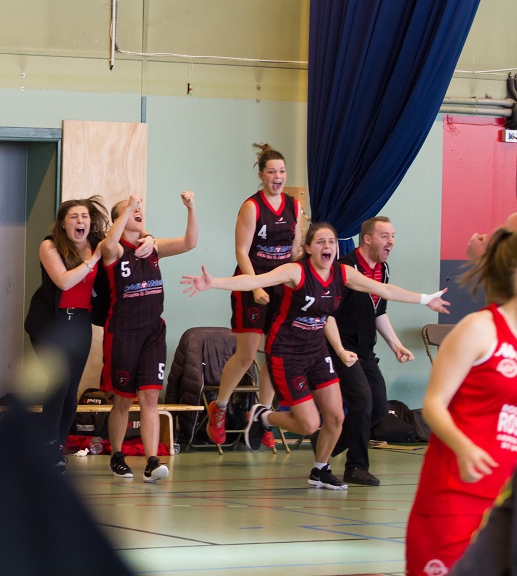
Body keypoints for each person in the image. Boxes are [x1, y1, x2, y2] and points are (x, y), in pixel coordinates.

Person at [182, 223, 448, 490]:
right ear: (308, 248)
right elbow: (254, 280)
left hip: (317, 352)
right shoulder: (295, 272)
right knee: (310, 424)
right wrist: (212, 283)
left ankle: (320, 470)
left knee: (336, 417)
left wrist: (426, 299)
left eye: (331, 241)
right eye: (320, 242)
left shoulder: (342, 274)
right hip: (286, 353)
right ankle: (262, 416)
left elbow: (385, 291)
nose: (328, 247)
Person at [405, 227, 517, 575]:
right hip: (457, 492)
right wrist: (464, 447)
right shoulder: (480, 329)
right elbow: (434, 404)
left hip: (506, 496)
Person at [206, 144, 302, 450]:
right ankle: (219, 408)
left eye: (282, 171)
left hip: (281, 286)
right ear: (261, 175)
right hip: (251, 282)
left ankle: (262, 416)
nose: (278, 176)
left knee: (275, 354)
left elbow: (296, 251)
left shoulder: (294, 206)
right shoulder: (252, 207)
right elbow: (241, 251)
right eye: (272, 171)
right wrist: (255, 286)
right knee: (247, 354)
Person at [101, 192, 198, 482]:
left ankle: (152, 461)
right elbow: (108, 242)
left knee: (150, 398)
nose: (138, 211)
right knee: (121, 400)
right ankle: (117, 456)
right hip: (123, 332)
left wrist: (191, 208)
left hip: (153, 331)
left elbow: (189, 242)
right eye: (131, 211)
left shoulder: (152, 247)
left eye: (140, 209)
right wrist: (126, 206)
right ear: (119, 219)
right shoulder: (115, 250)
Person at [320, 216, 414, 487]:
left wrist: (396, 345)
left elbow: (378, 312)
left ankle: (324, 445)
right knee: (362, 402)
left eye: (393, 236)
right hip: (339, 347)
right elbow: (328, 315)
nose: (391, 242)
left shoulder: (382, 271)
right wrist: (338, 350)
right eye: (385, 236)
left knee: (378, 408)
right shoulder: (344, 269)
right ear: (368, 239)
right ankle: (356, 467)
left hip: (365, 349)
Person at [24, 197, 111, 471]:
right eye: (73, 217)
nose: (80, 221)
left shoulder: (97, 244)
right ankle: (48, 445)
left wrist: (148, 236)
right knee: (58, 382)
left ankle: (56, 447)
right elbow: (63, 280)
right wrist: (93, 260)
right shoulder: (49, 245)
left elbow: (123, 241)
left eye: (84, 216)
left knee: (71, 388)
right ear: (63, 223)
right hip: (50, 324)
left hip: (80, 322)